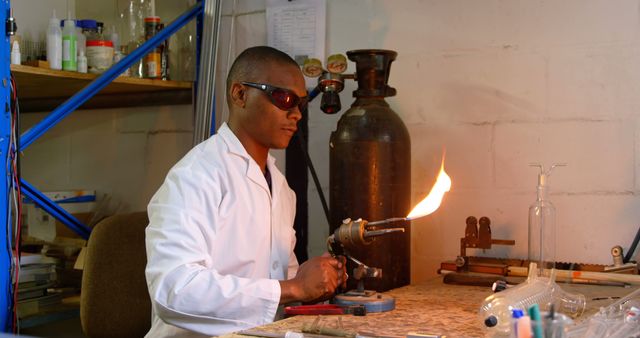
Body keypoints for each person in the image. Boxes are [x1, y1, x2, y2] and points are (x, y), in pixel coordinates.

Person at [144, 46, 347, 337]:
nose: (296, 115)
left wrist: (315, 282)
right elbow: (174, 291)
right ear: (240, 95)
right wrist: (293, 287)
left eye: (300, 104)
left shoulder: (280, 187)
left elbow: (279, 282)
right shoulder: (195, 177)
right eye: (284, 98)